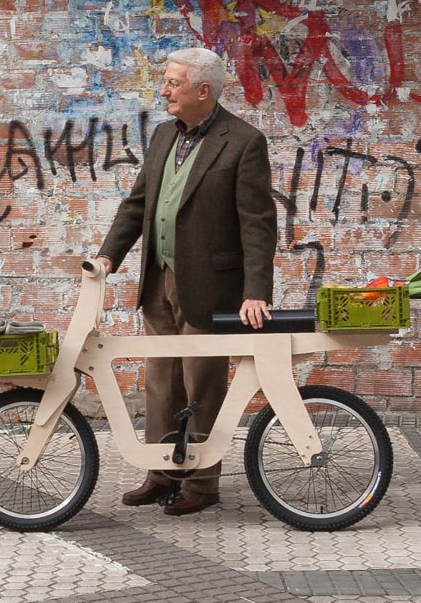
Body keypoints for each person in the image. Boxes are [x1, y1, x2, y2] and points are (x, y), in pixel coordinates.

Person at [96, 47, 277, 516]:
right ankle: (161, 472)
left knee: (203, 384)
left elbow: (257, 223)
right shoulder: (162, 136)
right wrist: (106, 257)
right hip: (159, 278)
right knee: (161, 381)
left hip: (210, 287)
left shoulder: (242, 142)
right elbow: (137, 205)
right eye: (165, 81)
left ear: (203, 90)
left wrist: (255, 291)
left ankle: (202, 480)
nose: (164, 90)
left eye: (173, 83)